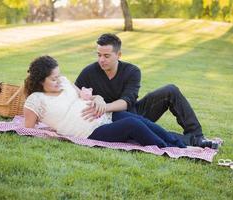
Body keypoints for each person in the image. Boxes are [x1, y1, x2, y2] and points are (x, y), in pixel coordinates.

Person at [75, 33, 218, 149]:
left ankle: (196, 135)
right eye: (98, 55)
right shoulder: (89, 71)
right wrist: (96, 97)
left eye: (106, 56)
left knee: (170, 90)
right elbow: (76, 93)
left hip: (134, 112)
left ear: (119, 55)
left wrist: (105, 106)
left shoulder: (132, 71)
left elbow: (127, 102)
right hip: (109, 121)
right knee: (147, 130)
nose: (101, 60)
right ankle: (192, 142)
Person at [23, 55, 187, 148]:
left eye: (58, 75)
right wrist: (51, 137)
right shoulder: (35, 100)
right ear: (40, 81)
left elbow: (85, 95)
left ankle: (180, 146)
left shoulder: (65, 82)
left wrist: (99, 98)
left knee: (139, 120)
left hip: (104, 115)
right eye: (53, 79)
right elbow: (28, 130)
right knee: (132, 125)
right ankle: (167, 149)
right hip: (90, 131)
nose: (59, 80)